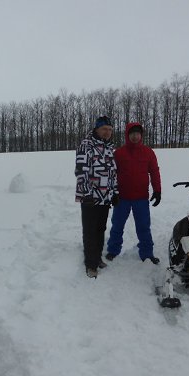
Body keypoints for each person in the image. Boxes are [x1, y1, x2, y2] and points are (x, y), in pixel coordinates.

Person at [106, 122, 161, 264]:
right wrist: (113, 193)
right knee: (117, 225)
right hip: (122, 197)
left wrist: (157, 190)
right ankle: (113, 250)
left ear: (141, 135)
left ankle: (147, 253)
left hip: (141, 198)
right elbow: (112, 174)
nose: (135, 136)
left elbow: (154, 172)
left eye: (137, 134)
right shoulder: (119, 153)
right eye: (132, 134)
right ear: (127, 135)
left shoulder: (148, 152)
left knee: (143, 227)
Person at [75, 116, 119, 278]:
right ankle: (90, 264)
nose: (107, 132)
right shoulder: (86, 145)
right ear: (97, 129)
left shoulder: (109, 147)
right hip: (90, 197)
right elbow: (81, 171)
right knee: (90, 231)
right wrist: (86, 194)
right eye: (104, 129)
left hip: (105, 197)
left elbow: (113, 173)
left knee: (100, 229)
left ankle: (97, 257)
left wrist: (115, 193)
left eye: (110, 129)